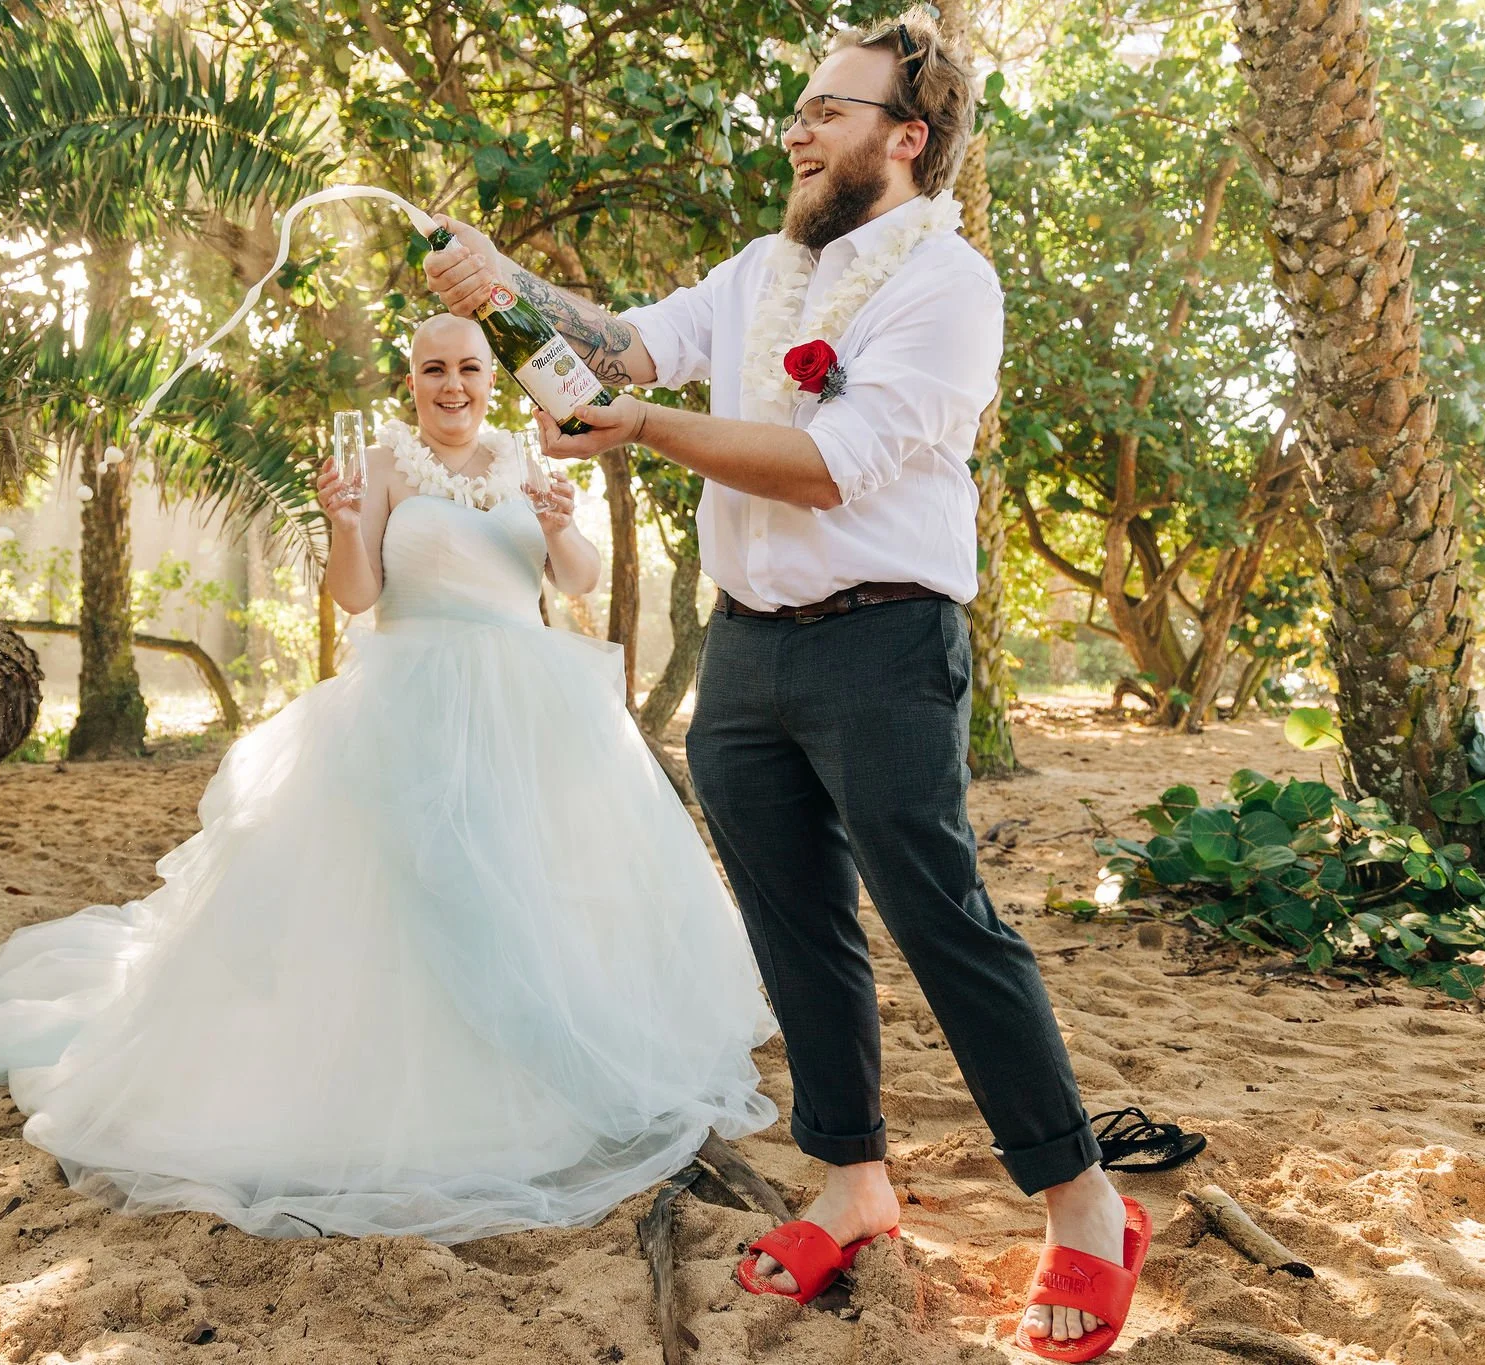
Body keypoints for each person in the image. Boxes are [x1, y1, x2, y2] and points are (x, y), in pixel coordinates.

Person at [424, 9, 1147, 1358]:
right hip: (748, 648)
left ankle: (1086, 1204)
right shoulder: (764, 266)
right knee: (792, 925)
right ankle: (854, 1181)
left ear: (905, 137)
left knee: (943, 922)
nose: (798, 129)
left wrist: (638, 428)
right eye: (800, 109)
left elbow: (830, 464)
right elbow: (627, 344)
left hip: (885, 641)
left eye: (828, 109)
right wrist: (508, 287)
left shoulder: (948, 284)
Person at [0, 313, 777, 1245]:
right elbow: (358, 597)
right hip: (414, 696)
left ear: (490, 376)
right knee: (417, 894)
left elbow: (577, 578)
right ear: (411, 379)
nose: (452, 385)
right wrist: (342, 523)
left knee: (538, 886)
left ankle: (549, 1054)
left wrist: (562, 527)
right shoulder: (388, 462)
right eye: (434, 368)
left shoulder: (525, 455)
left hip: (530, 708)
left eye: (469, 368)